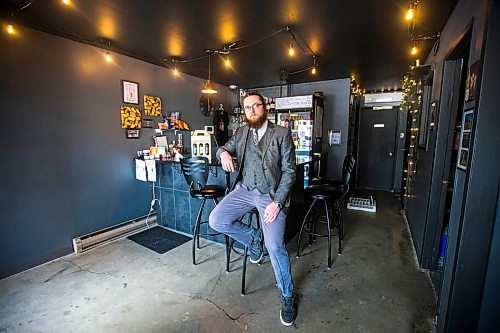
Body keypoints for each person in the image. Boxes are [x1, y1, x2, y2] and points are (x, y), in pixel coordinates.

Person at [209, 92, 297, 326]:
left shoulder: (281, 133)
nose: (251, 111)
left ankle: (287, 294)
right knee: (216, 220)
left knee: (275, 246)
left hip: (270, 195)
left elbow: (290, 171)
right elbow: (221, 147)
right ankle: (253, 237)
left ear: (264, 107)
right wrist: (223, 152)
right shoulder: (240, 133)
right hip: (245, 190)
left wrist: (277, 202)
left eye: (255, 106)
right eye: (247, 107)